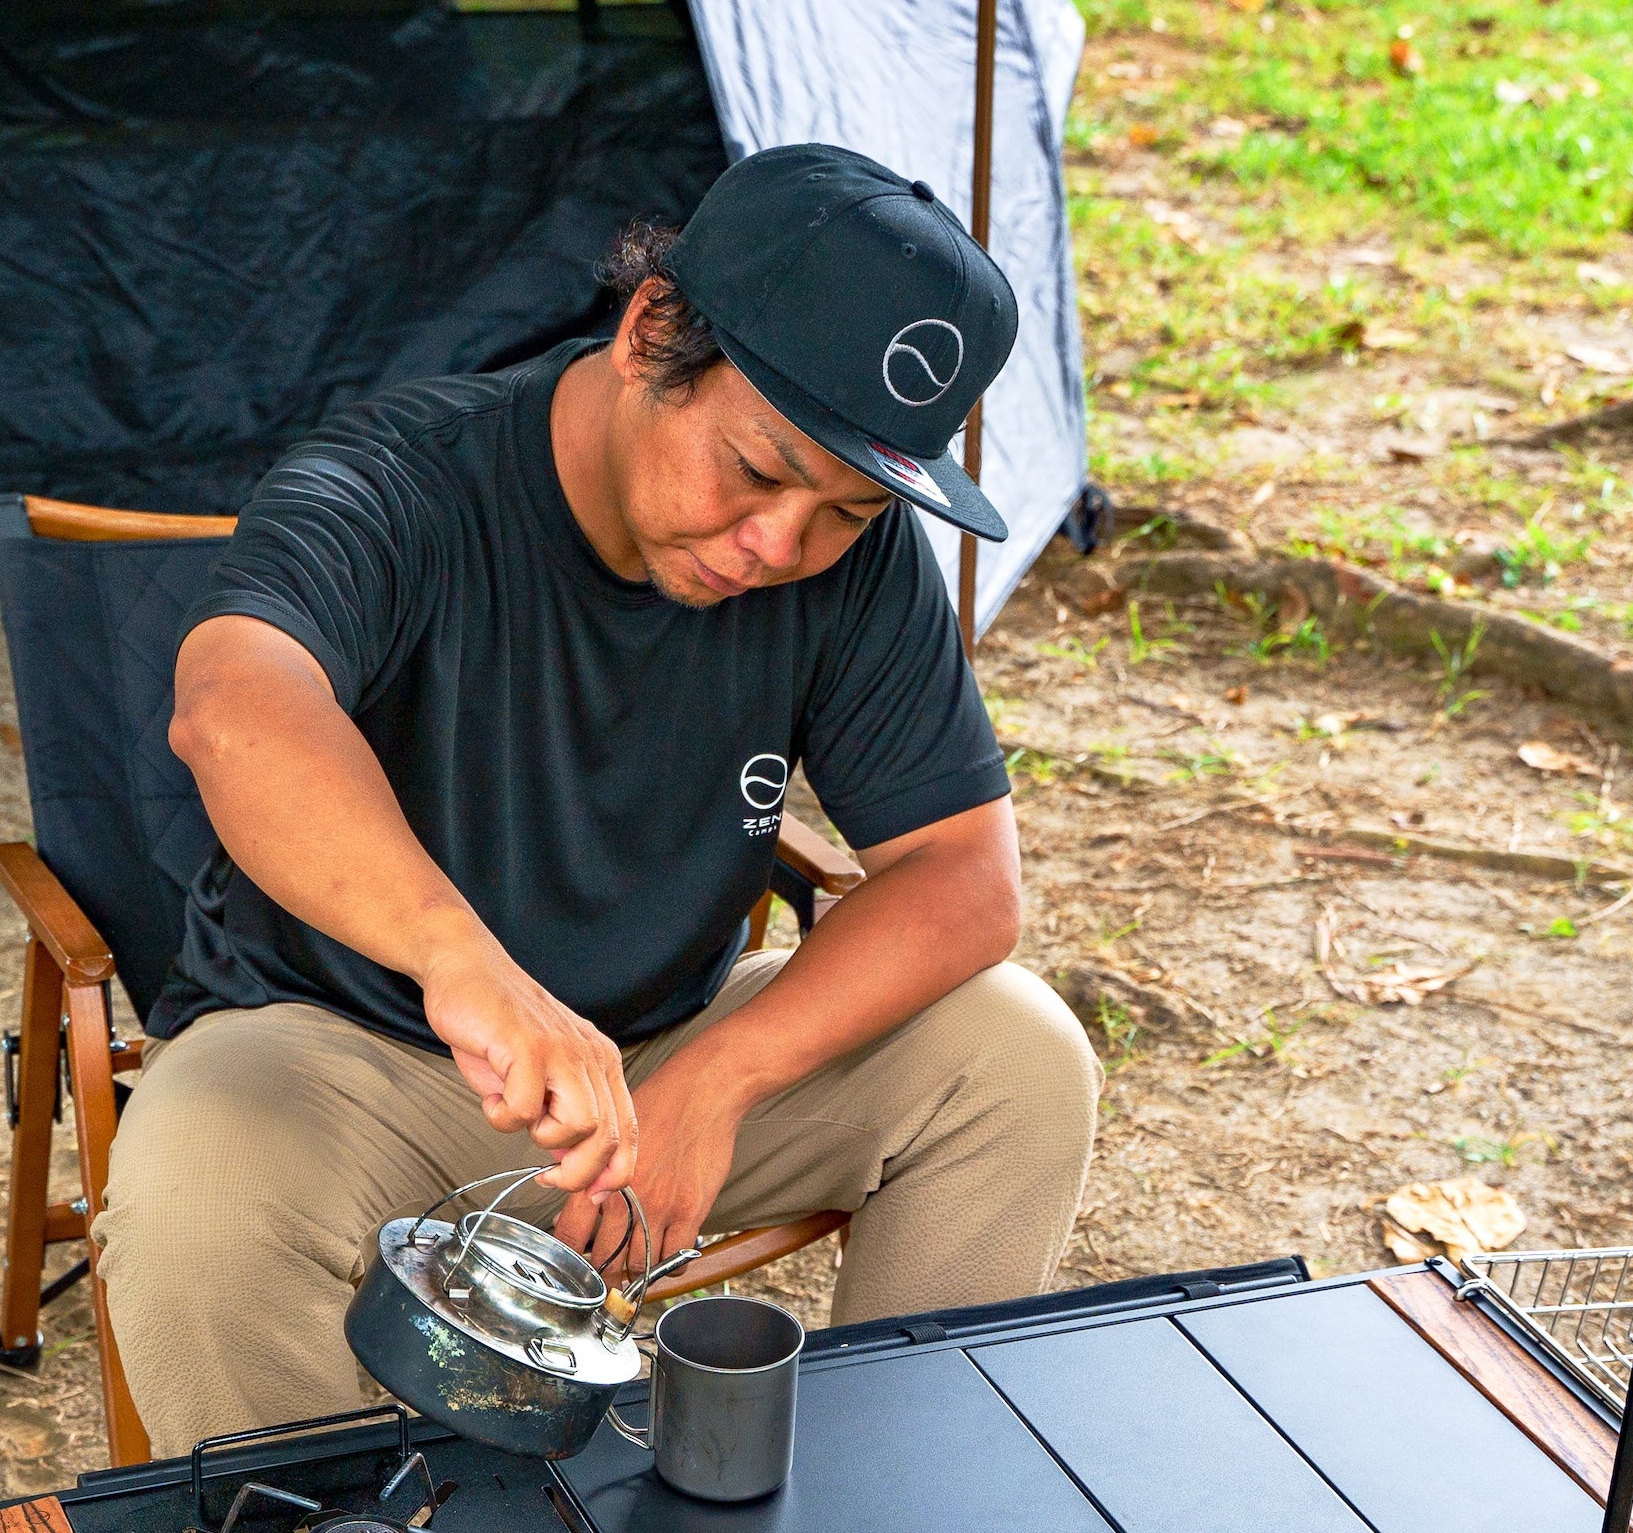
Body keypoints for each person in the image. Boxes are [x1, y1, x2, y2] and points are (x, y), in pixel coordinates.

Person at [93, 144, 1099, 1455]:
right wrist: (458, 959)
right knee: (194, 1185)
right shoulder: (408, 479)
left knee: (1017, 1060)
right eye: (758, 470)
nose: (780, 546)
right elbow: (234, 708)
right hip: (353, 1060)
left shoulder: (846, 564)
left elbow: (966, 875)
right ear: (651, 333)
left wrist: (723, 1079)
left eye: (846, 512)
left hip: (658, 1073)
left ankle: (874, 1531)